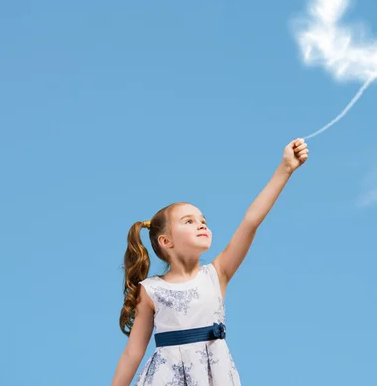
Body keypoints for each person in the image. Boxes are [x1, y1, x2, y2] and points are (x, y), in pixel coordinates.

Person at [111, 138, 309, 386]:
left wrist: (285, 169)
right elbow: (133, 352)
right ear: (166, 241)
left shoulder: (217, 274)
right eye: (188, 221)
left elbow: (251, 221)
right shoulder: (151, 290)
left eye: (203, 219)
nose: (201, 224)